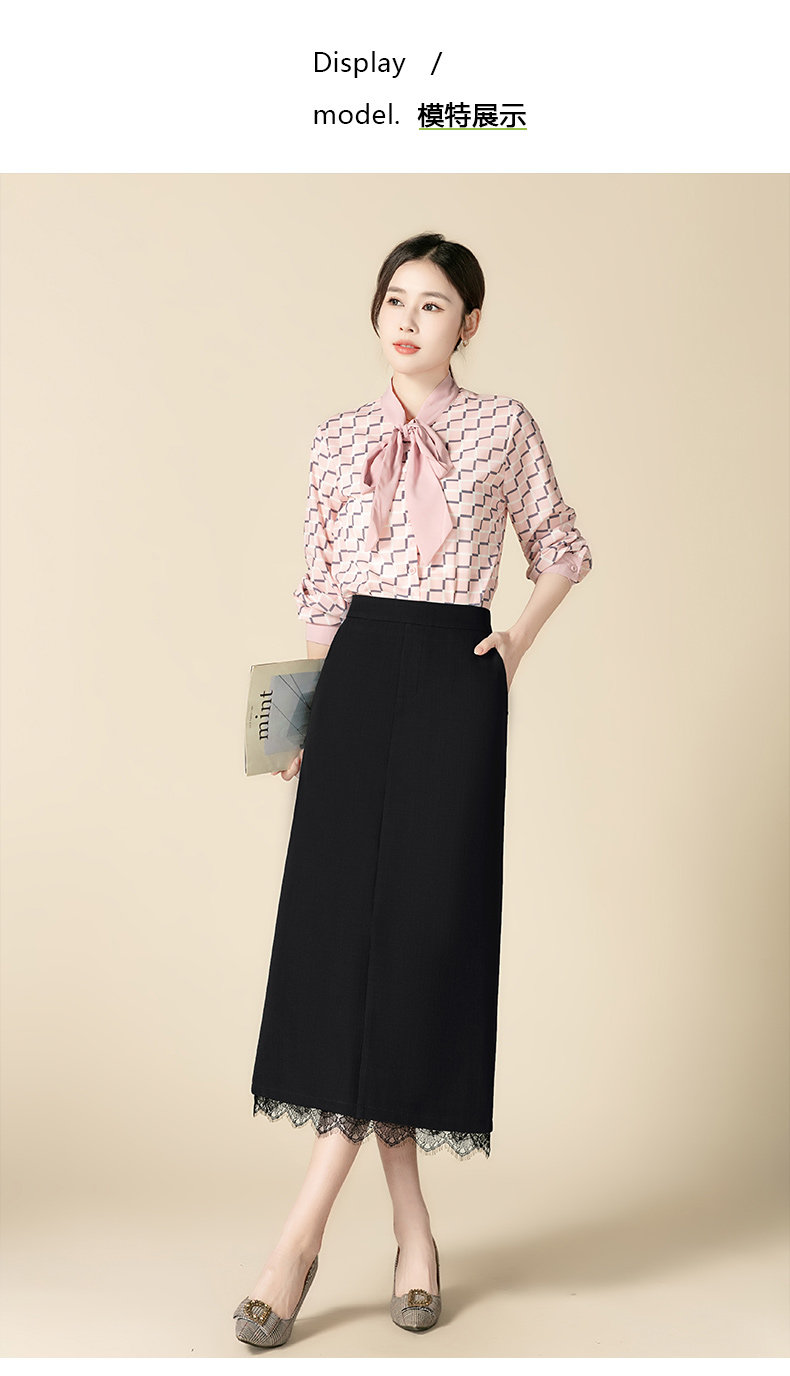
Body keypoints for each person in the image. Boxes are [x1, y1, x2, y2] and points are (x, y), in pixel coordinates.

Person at [233, 231, 593, 1347]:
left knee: (419, 941)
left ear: (467, 324)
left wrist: (512, 643)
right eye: (395, 299)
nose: (408, 320)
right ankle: (413, 1231)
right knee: (349, 943)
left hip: (450, 681)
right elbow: (318, 586)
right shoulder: (337, 438)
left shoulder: (504, 426)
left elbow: (563, 546)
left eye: (433, 304)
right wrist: (305, 719)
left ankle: (297, 1241)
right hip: (352, 680)